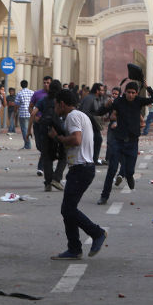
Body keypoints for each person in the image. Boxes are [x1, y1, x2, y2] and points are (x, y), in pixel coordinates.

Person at [49, 89, 107, 260]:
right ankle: (74, 248)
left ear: (62, 103)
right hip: (82, 167)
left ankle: (97, 233)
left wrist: (58, 138)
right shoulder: (80, 115)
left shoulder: (72, 116)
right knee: (68, 209)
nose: (55, 108)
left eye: (56, 104)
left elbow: (76, 139)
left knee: (67, 209)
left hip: (82, 168)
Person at [97, 78, 153, 203]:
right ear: (124, 92)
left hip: (132, 142)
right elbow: (100, 112)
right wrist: (106, 105)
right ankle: (104, 196)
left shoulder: (138, 101)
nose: (130, 95)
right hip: (118, 141)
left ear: (136, 93)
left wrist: (148, 87)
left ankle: (129, 176)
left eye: (133, 92)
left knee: (130, 170)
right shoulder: (118, 102)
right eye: (128, 92)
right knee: (112, 169)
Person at [29, 80, 66, 192]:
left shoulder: (43, 100)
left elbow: (33, 113)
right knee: (63, 156)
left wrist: (28, 131)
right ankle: (57, 178)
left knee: (47, 158)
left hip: (45, 131)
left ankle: (48, 184)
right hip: (58, 131)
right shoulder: (61, 101)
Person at [103, 87, 126, 188]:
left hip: (120, 127)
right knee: (110, 145)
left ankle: (121, 174)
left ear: (119, 95)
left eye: (116, 94)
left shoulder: (122, 103)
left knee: (122, 154)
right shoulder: (111, 103)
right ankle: (118, 172)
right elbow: (106, 112)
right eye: (113, 94)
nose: (114, 95)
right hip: (112, 126)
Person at [30, 76, 52, 175]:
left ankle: (41, 167)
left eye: (48, 83)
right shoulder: (37, 94)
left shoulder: (53, 95)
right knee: (39, 145)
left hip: (48, 124)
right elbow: (30, 107)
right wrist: (35, 118)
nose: (46, 84)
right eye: (44, 82)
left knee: (45, 146)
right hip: (38, 123)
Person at [79, 83, 106, 164]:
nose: (103, 92)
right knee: (95, 140)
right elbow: (84, 112)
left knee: (97, 140)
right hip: (88, 124)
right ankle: (90, 159)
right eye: (101, 90)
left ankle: (93, 159)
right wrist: (94, 117)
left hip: (94, 125)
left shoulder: (97, 98)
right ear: (97, 91)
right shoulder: (90, 98)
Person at [15, 80, 34, 150]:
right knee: (29, 129)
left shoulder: (19, 93)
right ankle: (27, 144)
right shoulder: (32, 92)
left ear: (21, 85)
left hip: (23, 114)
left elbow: (16, 104)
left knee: (24, 130)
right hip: (31, 113)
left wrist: (15, 112)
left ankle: (27, 145)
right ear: (27, 84)